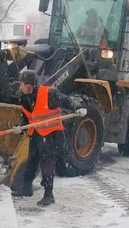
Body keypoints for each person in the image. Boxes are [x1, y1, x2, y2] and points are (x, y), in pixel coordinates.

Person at [11, 69, 86, 207]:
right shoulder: (24, 98)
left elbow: (67, 100)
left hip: (51, 135)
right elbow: (26, 118)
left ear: (29, 85)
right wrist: (19, 127)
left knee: (47, 164)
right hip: (36, 134)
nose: (19, 87)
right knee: (31, 161)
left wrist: (78, 108)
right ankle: (26, 188)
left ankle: (48, 195)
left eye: (21, 84)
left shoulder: (49, 94)